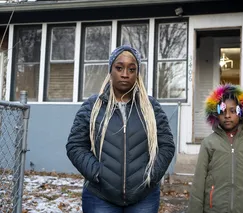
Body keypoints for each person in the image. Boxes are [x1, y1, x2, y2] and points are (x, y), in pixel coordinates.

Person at [66, 45, 175, 213]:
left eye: (132, 69)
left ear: (137, 73)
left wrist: (151, 176)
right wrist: (98, 174)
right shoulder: (93, 106)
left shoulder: (151, 107)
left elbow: (166, 145)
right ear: (110, 70)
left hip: (144, 197)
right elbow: (75, 145)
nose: (125, 74)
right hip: (100, 196)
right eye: (119, 68)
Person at [187, 84, 243, 213]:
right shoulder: (209, 143)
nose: (227, 115)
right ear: (216, 114)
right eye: (222, 111)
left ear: (241, 113)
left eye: (233, 111)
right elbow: (198, 183)